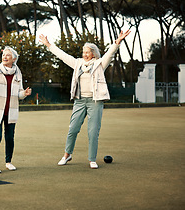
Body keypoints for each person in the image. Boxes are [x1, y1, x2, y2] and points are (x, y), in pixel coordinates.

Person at [39, 30, 131, 169]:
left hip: (95, 102)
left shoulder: (100, 63)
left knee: (93, 131)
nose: (84, 54)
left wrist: (117, 42)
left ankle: (92, 159)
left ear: (93, 53)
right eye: (83, 52)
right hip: (80, 101)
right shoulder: (77, 63)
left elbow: (110, 54)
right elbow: (62, 56)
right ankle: (67, 155)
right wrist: (48, 44)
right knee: (73, 129)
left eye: (87, 52)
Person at [0, 47, 32, 173]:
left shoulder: (17, 73)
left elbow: (18, 94)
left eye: (8, 55)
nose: (5, 57)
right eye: (3, 54)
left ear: (14, 59)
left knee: (10, 137)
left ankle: (8, 162)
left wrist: (24, 93)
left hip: (11, 111)